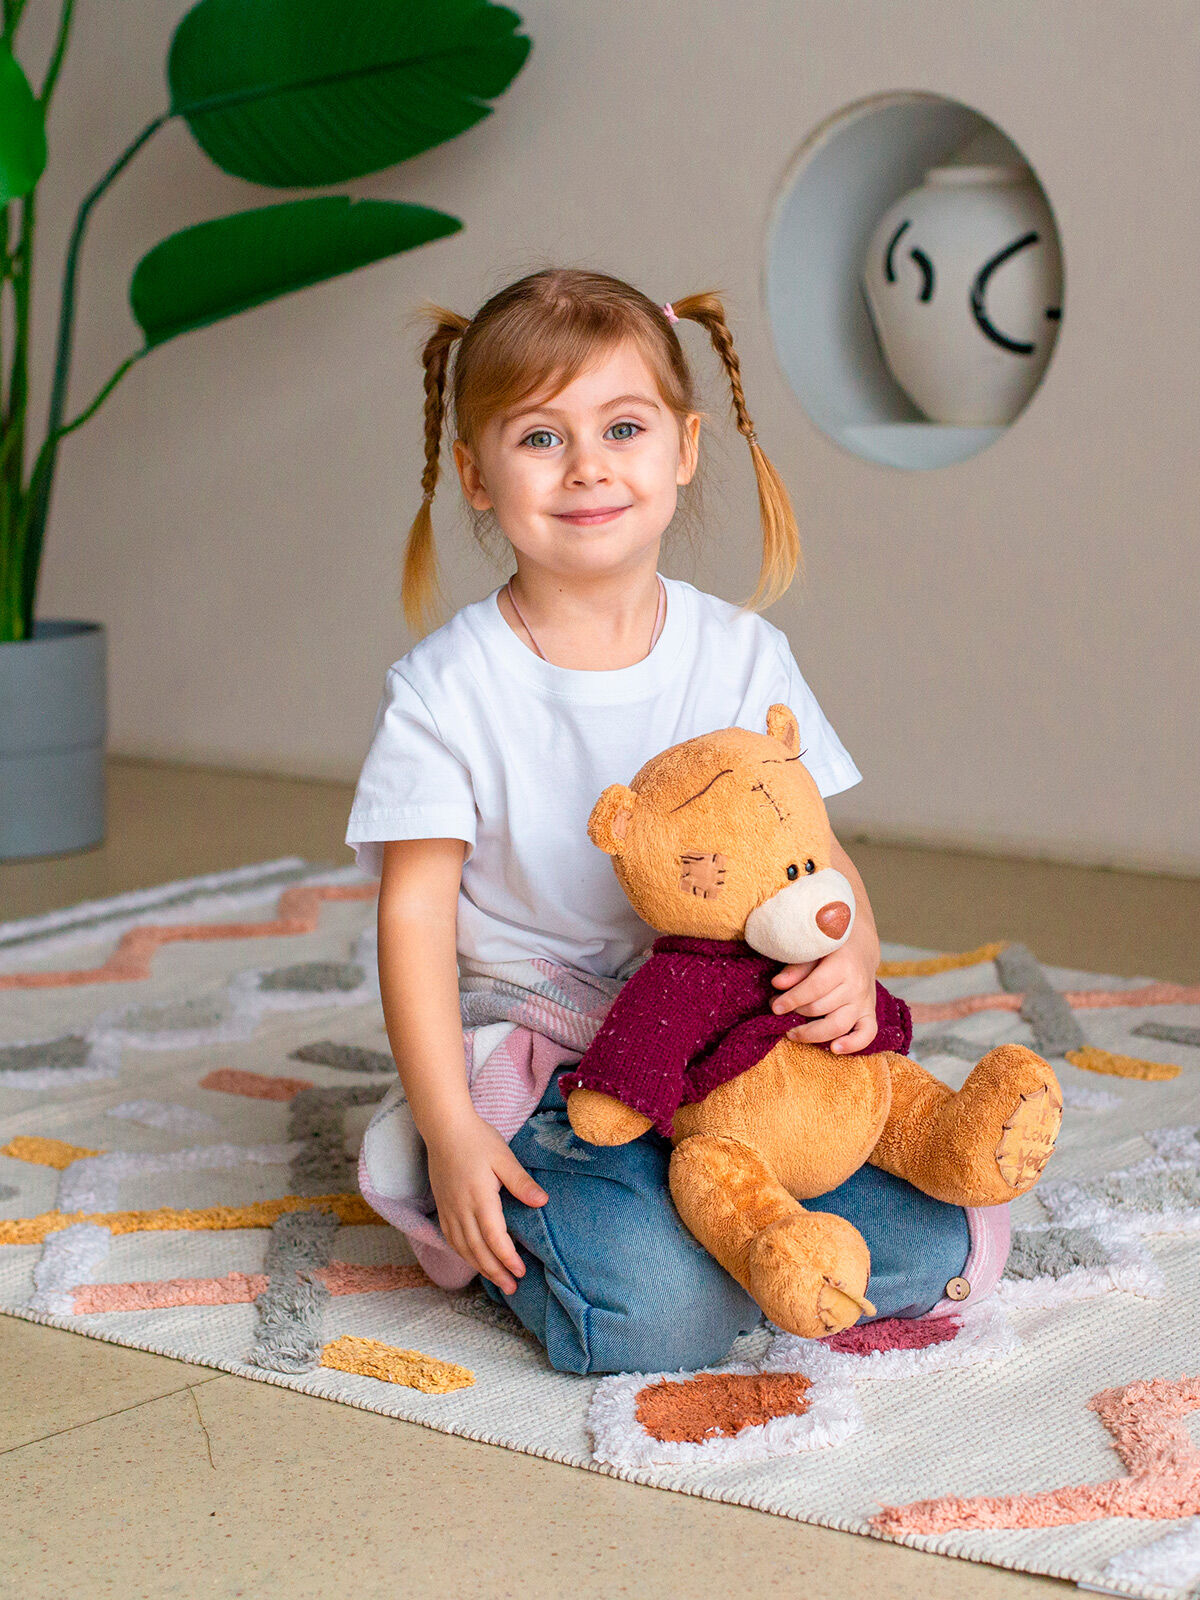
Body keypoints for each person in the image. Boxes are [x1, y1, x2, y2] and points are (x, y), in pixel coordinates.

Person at [345, 267, 1009, 1376]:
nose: (589, 465)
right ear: (473, 474)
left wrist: (854, 953)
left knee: (944, 1243)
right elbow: (411, 919)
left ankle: (720, 1238)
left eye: (623, 427)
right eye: (540, 438)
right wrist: (451, 1126)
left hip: (732, 1054)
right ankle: (602, 1248)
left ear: (684, 447)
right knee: (651, 1318)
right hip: (560, 1067)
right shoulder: (445, 690)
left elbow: (815, 854)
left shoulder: (740, 654)